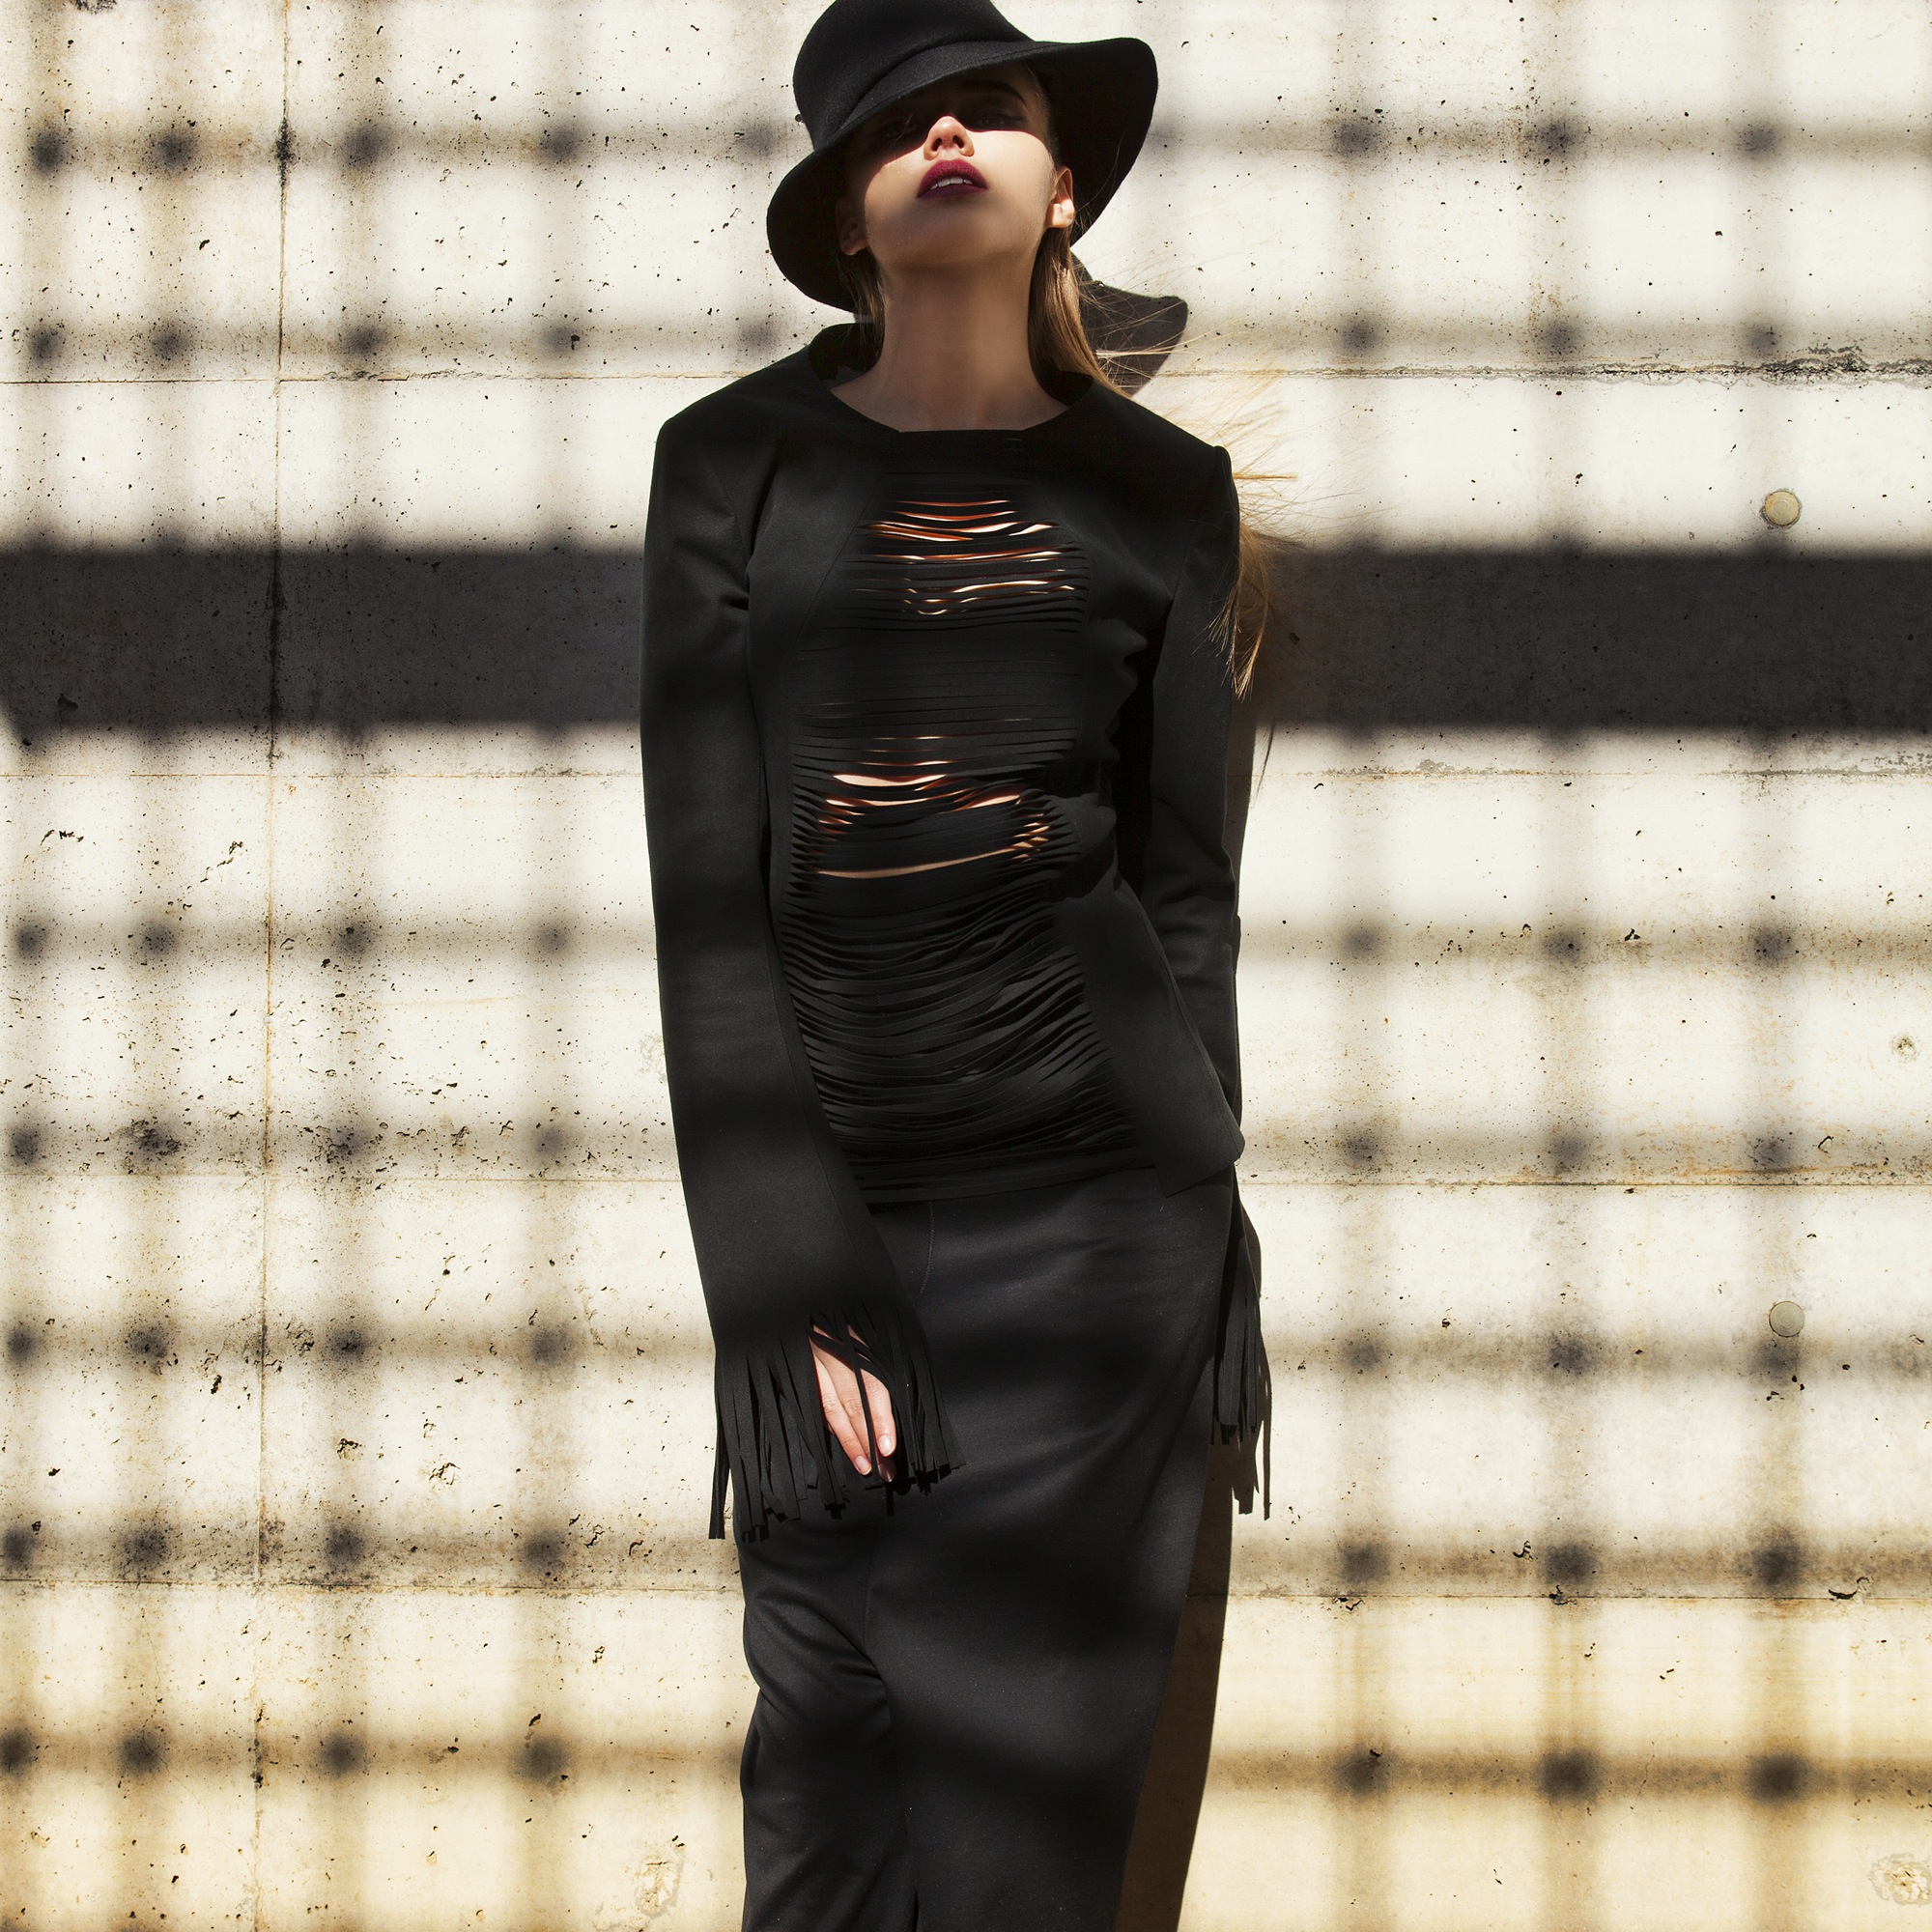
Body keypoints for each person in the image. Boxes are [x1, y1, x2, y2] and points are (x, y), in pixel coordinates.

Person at [639, 1, 1270, 1924]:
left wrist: (1213, 1198)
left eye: (985, 108)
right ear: (845, 209)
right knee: (828, 1761)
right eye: (890, 123)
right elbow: (707, 895)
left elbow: (1184, 891)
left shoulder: (1162, 488)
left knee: (1017, 1812)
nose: (940, 138)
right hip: (835, 1195)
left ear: (1059, 184)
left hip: (1101, 1229)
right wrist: (784, 1276)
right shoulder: (728, 462)